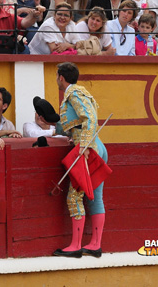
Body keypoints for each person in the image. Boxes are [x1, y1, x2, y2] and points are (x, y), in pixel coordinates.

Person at [53, 62, 108, 259]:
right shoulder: (80, 92)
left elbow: (90, 119)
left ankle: (75, 245)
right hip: (97, 146)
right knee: (95, 197)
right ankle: (95, 244)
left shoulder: (73, 94)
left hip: (87, 148)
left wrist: (84, 146)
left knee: (74, 197)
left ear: (61, 77)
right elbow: (80, 122)